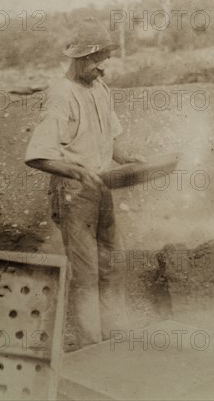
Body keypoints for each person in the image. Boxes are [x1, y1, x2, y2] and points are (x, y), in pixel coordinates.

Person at [25, 18, 145, 349]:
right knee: (86, 275)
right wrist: (77, 172)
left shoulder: (100, 89)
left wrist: (127, 157)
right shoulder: (60, 97)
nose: (103, 67)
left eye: (106, 59)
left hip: (102, 187)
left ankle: (113, 337)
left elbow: (111, 136)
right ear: (81, 58)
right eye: (98, 61)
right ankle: (91, 348)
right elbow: (38, 156)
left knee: (113, 265)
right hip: (75, 194)